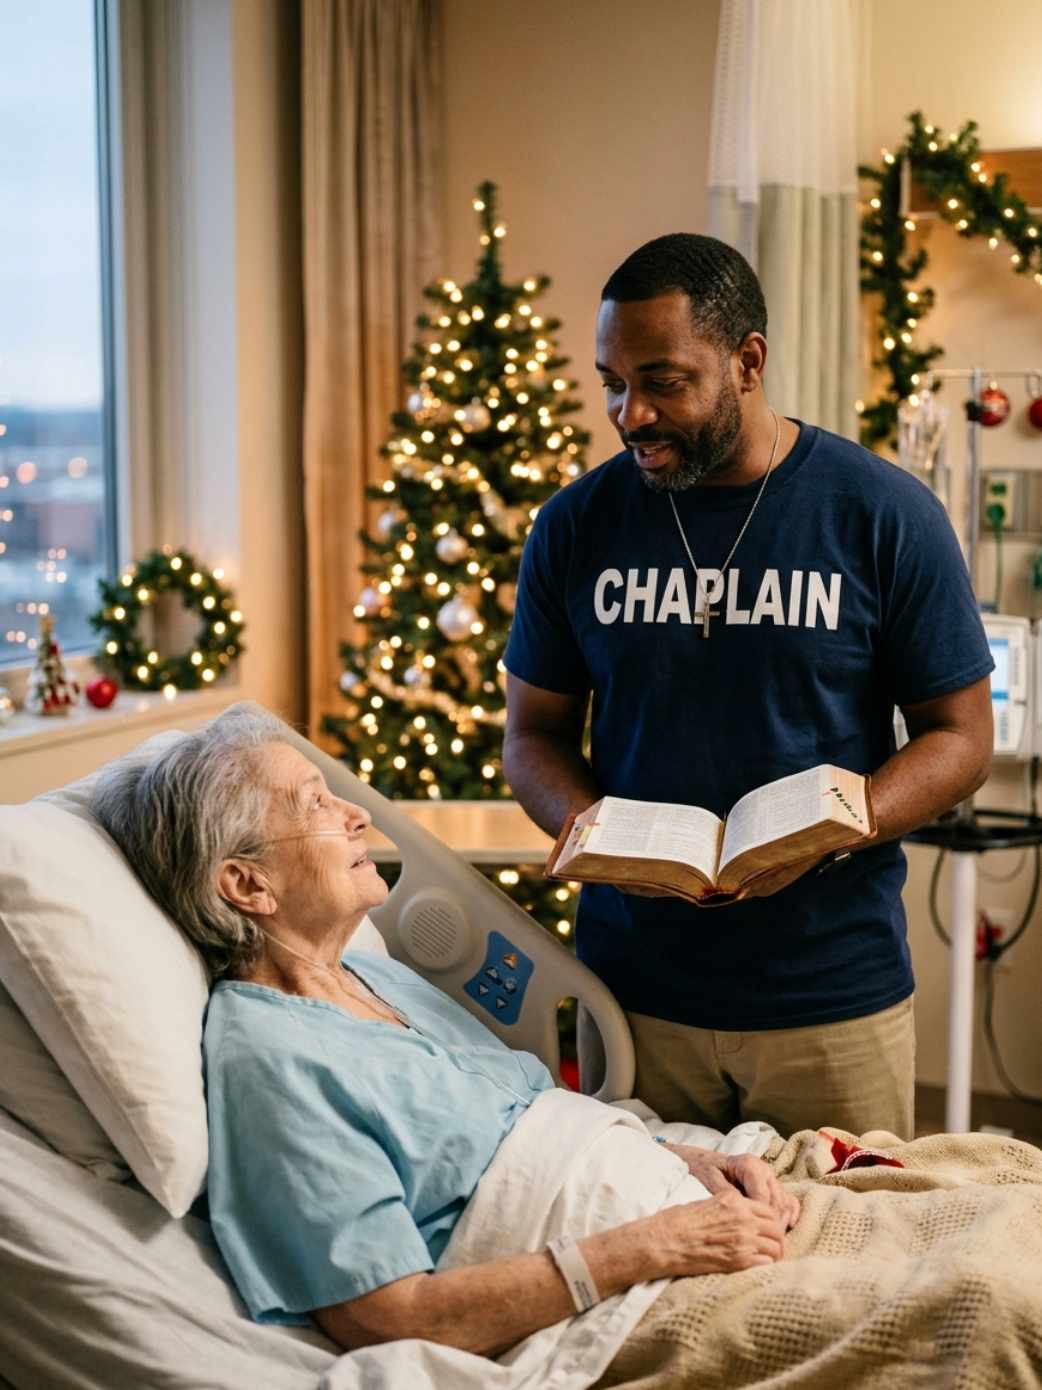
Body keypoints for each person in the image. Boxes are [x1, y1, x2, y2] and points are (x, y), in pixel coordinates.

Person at [89, 709, 797, 1359]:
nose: (357, 814)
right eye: (316, 803)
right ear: (248, 887)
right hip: (634, 1298)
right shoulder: (270, 1063)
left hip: (681, 1212)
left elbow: (525, 1120)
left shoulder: (372, 979)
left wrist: (683, 1162)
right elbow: (390, 1315)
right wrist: (657, 1243)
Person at [502, 233, 994, 1141]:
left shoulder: (881, 514)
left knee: (848, 1263)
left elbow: (961, 736)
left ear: (748, 361)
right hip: (634, 995)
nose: (630, 413)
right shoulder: (575, 526)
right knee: (651, 1264)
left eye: (663, 381)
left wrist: (852, 821)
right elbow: (532, 735)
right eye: (612, 381)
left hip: (831, 996)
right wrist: (587, 829)